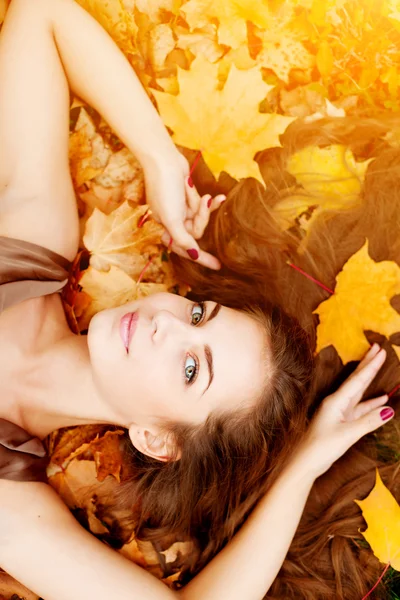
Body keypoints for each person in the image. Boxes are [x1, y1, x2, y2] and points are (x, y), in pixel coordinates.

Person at [0, 1, 396, 599]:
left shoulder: (11, 503)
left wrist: (303, 468)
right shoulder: (29, 250)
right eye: (196, 313)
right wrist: (160, 158)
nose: (167, 327)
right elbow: (41, 16)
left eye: (191, 369)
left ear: (157, 439)